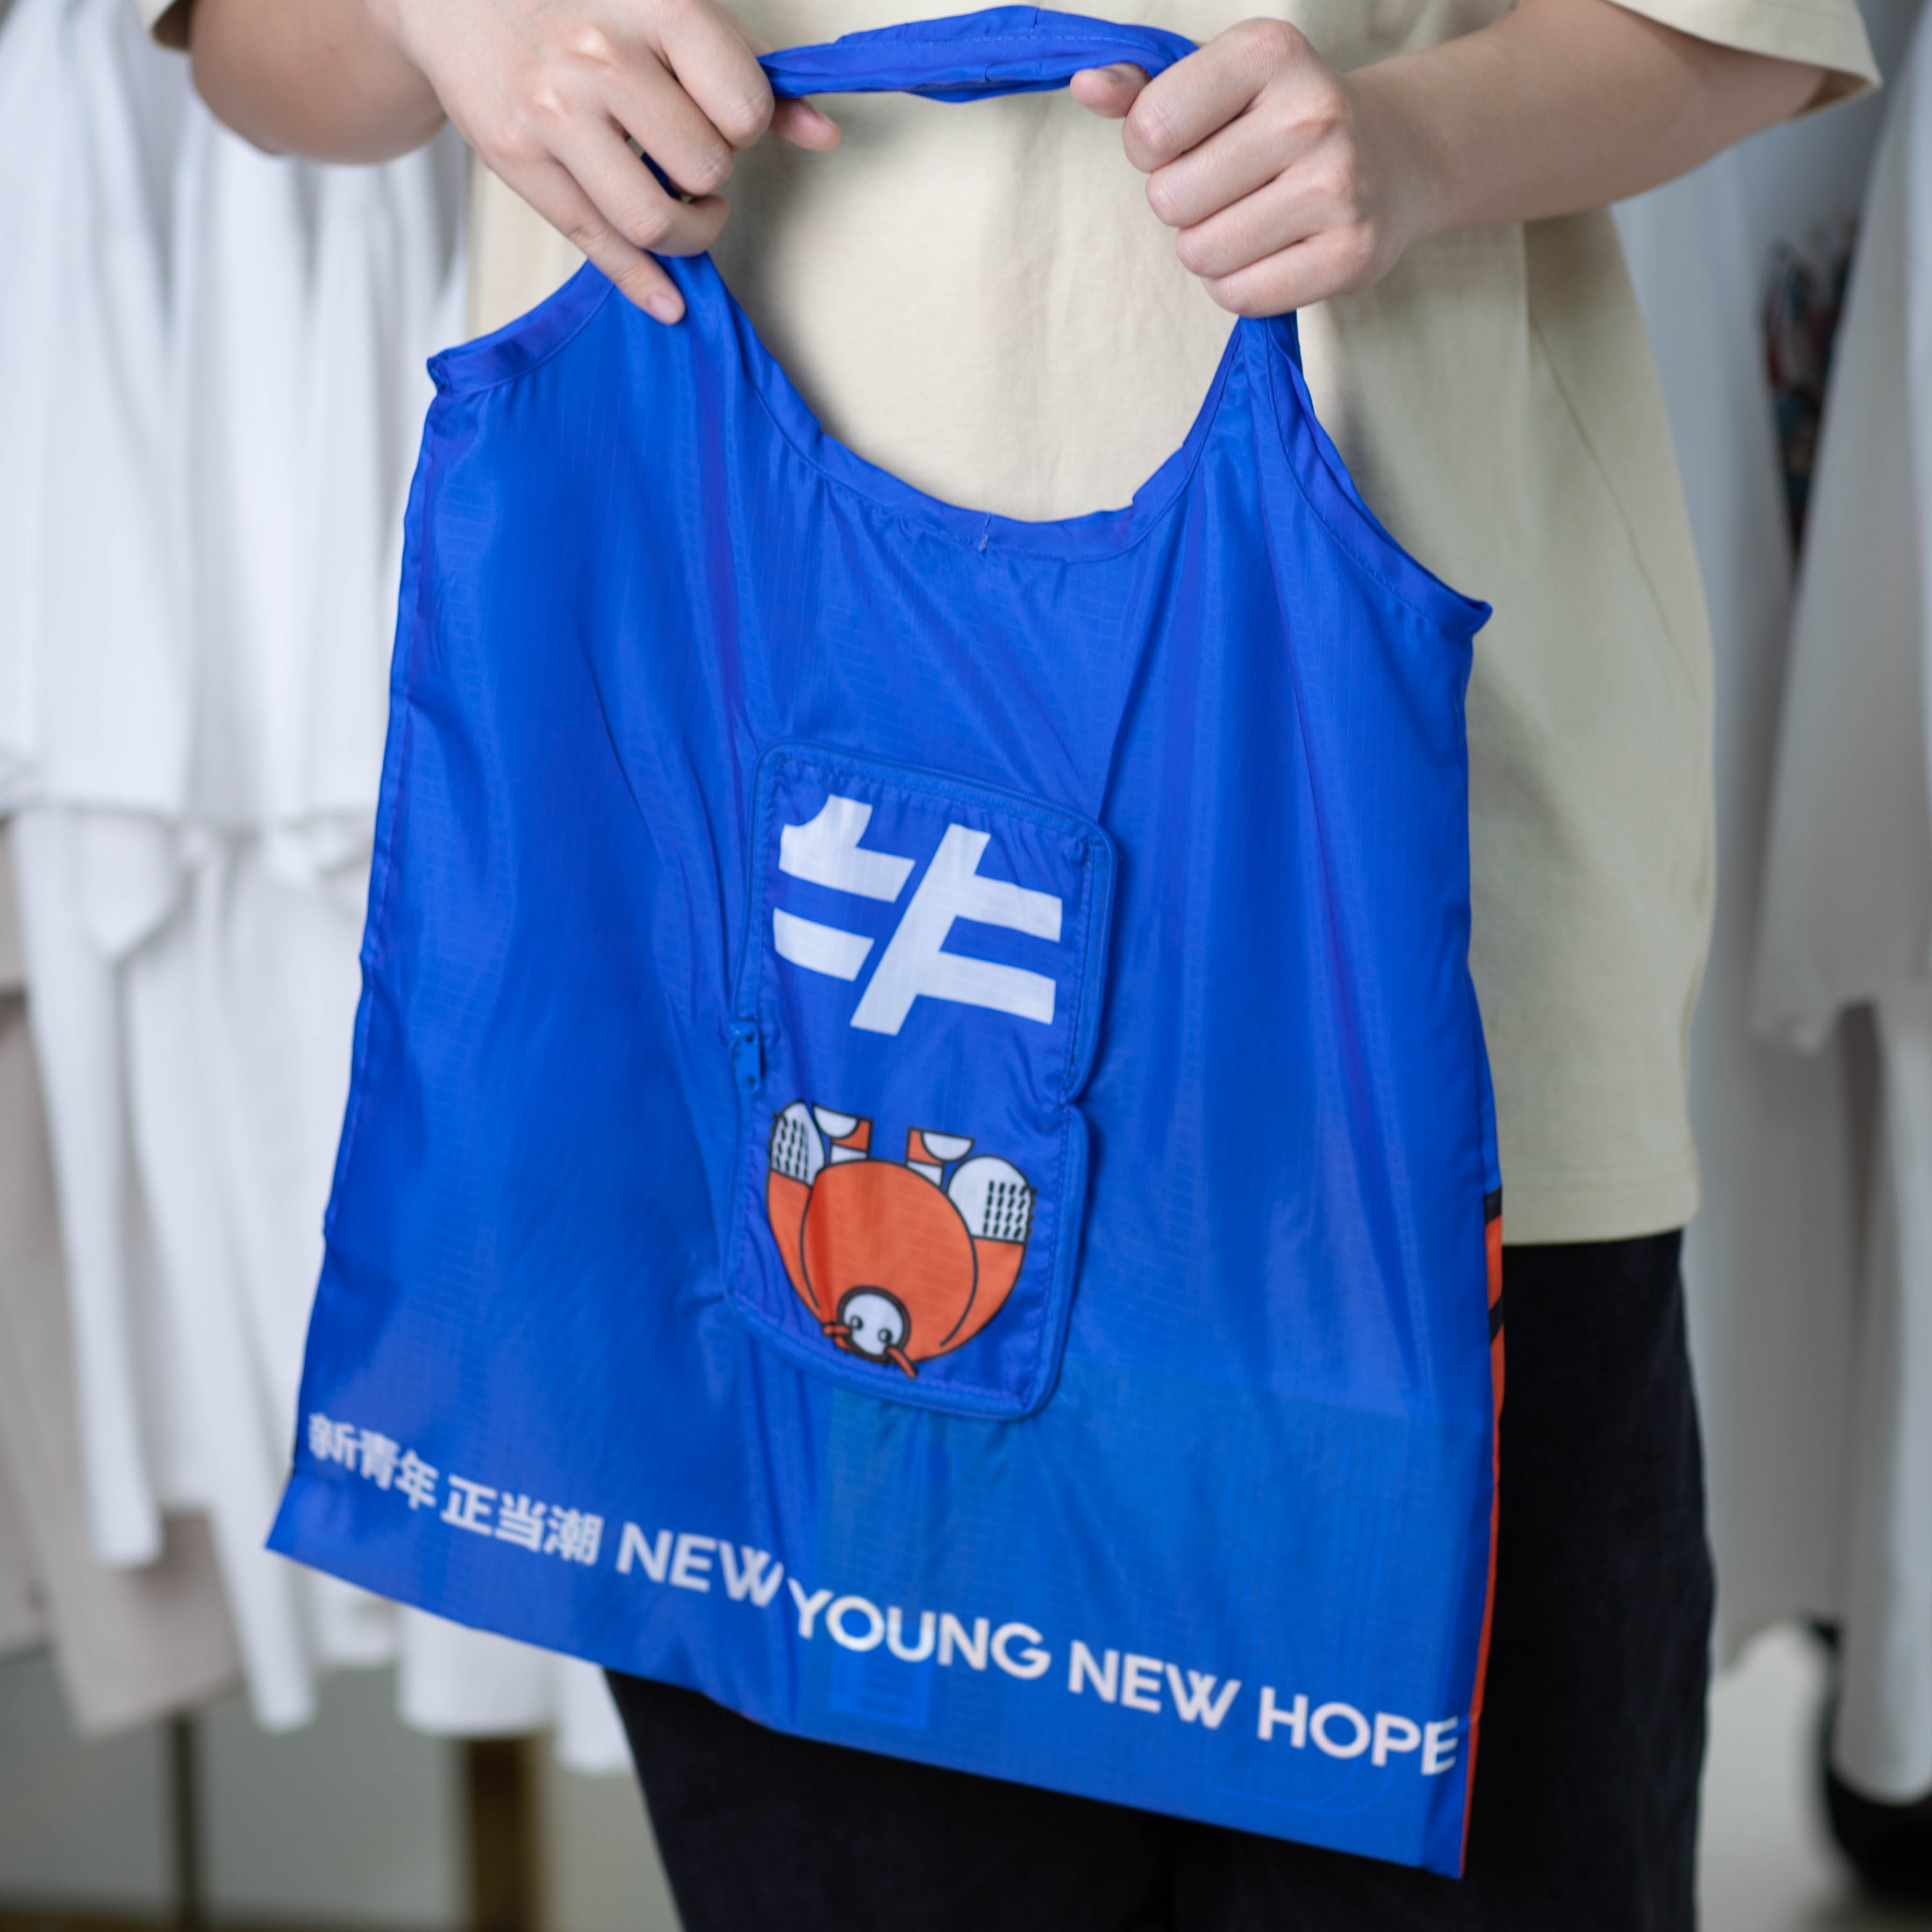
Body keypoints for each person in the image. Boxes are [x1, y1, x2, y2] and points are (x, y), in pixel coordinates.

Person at [165, 0, 1875, 1921]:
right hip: (741, 968)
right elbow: (260, 57)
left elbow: (1757, 33)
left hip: (1390, 974)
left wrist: (1418, 143)